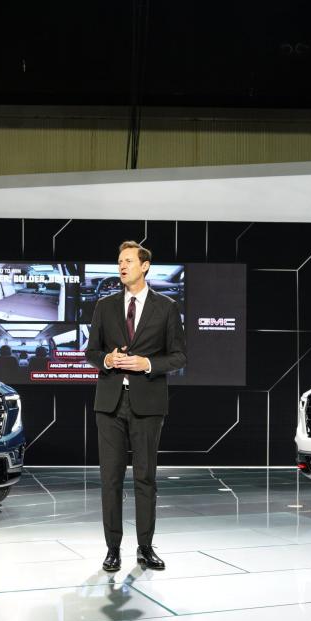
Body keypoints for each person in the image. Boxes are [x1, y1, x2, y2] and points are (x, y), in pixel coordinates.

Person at [85, 241, 186, 572]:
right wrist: (107, 359)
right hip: (110, 403)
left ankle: (145, 546)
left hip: (148, 402)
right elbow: (91, 352)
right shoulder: (104, 305)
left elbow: (179, 355)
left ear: (145, 266)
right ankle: (112, 549)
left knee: (145, 478)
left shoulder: (167, 307)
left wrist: (146, 364)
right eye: (118, 261)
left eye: (128, 260)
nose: (121, 266)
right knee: (110, 479)